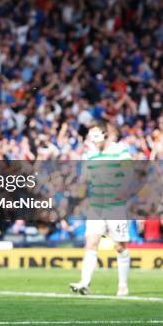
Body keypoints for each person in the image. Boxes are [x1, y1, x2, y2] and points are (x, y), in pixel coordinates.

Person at [69, 122, 133, 297]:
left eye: (96, 135)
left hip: (115, 206)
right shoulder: (90, 155)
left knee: (120, 246)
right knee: (91, 242)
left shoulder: (120, 150)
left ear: (106, 134)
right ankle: (85, 283)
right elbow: (85, 179)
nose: (93, 139)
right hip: (96, 206)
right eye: (91, 136)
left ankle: (122, 285)